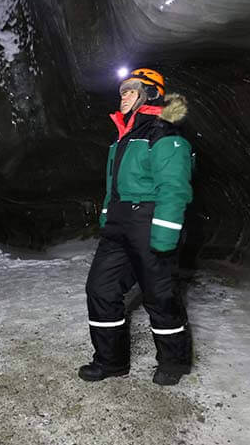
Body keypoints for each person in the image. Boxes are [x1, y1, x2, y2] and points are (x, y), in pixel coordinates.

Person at [79, 67, 193, 386]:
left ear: (150, 94)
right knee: (100, 289)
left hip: (149, 219)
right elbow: (113, 185)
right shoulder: (123, 136)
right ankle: (111, 361)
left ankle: (174, 361)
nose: (124, 96)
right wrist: (107, 216)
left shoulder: (164, 131)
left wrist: (166, 232)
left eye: (131, 90)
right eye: (122, 92)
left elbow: (174, 187)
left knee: (159, 294)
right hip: (119, 224)